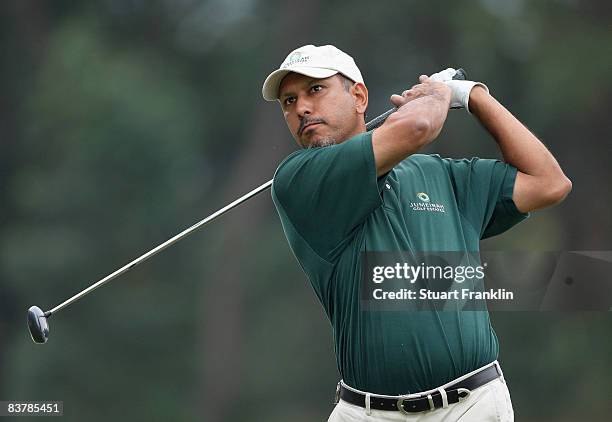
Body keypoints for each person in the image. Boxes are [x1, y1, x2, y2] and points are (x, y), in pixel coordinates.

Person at [261, 44, 571, 421]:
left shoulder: (442, 175)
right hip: (368, 414)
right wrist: (439, 95)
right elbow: (418, 127)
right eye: (289, 102)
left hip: (473, 405)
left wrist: (474, 96)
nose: (301, 108)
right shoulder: (299, 179)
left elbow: (549, 183)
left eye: (315, 90)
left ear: (358, 96)